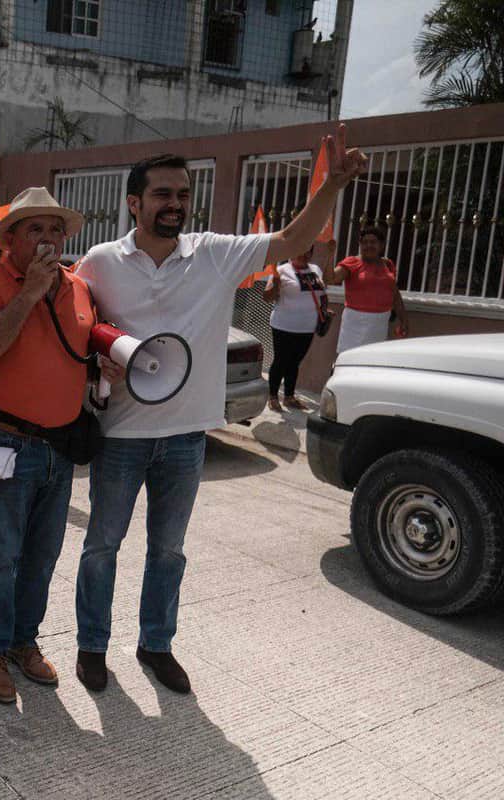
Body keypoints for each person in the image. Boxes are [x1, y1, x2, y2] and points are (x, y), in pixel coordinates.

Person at [73, 128, 367, 695]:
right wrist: (97, 361)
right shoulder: (101, 262)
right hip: (122, 434)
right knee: (102, 547)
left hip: (186, 437)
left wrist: (331, 187)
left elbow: (290, 239)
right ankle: (92, 646)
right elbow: (75, 325)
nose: (175, 204)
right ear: (134, 202)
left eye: (183, 194)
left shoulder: (213, 253)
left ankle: (156, 645)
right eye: (162, 194)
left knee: (168, 552)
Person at [0, 187, 94, 704]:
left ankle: (23, 641)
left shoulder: (79, 286)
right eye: (35, 228)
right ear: (10, 239)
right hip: (6, 444)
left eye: (55, 229)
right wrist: (28, 294)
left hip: (59, 447)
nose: (48, 238)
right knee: (2, 554)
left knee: (42, 556)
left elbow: (79, 353)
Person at [262, 244, 330, 411]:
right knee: (281, 361)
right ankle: (273, 396)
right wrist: (275, 283)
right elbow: (267, 297)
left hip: (307, 327)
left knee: (294, 363)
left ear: (311, 253)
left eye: (307, 251)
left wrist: (324, 309)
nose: (303, 254)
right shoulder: (281, 270)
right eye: (299, 250)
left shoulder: (315, 270)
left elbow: (322, 294)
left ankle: (289, 397)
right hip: (284, 325)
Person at [330, 225, 409, 353]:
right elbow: (332, 278)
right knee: (350, 357)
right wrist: (328, 256)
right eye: (365, 242)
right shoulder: (352, 263)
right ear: (360, 245)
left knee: (373, 358)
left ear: (381, 245)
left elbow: (395, 295)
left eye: (373, 242)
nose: (368, 245)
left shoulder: (388, 265)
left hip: (380, 323)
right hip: (355, 323)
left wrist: (403, 320)